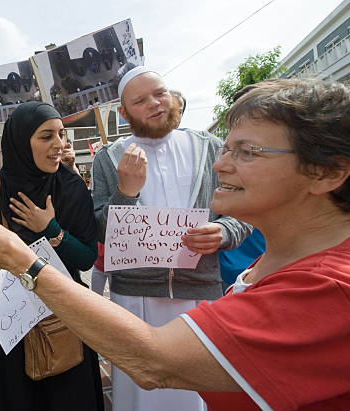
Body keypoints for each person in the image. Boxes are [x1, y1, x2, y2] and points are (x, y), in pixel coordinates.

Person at [0, 77, 350, 410]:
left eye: (247, 152)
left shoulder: (329, 291)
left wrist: (33, 257)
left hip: (185, 296)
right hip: (101, 303)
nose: (221, 164)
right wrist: (127, 192)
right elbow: (111, 234)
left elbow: (155, 360)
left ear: (326, 172)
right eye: (228, 148)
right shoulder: (266, 276)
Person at [92, 66, 251, 410]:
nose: (155, 104)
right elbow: (103, 232)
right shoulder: (107, 158)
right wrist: (126, 192)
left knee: (197, 395)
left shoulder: (211, 148)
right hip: (134, 299)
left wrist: (224, 232)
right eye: (140, 100)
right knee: (139, 395)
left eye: (160, 93)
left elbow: (246, 211)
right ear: (123, 112)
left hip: (199, 295)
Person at [0, 101, 104, 411]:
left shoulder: (71, 187)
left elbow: (85, 258)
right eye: (46, 136)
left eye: (62, 134)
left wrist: (51, 230)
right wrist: (1, 251)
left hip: (62, 317)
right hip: (7, 322)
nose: (59, 145)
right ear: (20, 140)